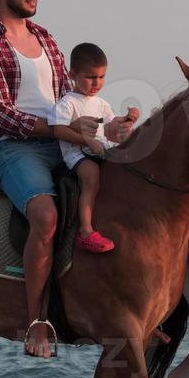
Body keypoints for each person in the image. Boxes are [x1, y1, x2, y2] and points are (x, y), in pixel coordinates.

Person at [0, 0, 111, 359]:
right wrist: (59, 130)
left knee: (119, 189)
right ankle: (36, 324)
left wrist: (98, 125)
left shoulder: (45, 38)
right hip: (10, 147)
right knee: (45, 215)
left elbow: (68, 98)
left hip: (60, 142)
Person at [49, 42, 140, 253]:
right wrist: (87, 141)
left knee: (130, 171)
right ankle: (86, 230)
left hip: (100, 149)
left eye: (101, 77)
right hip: (76, 154)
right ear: (72, 74)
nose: (96, 82)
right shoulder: (67, 103)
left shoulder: (100, 103)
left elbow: (110, 128)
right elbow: (58, 130)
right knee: (91, 176)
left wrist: (127, 119)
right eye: (90, 77)